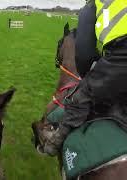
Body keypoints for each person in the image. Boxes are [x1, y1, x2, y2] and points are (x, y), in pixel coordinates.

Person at [42, 0, 127, 156]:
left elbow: (84, 54)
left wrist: (90, 78)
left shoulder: (93, 5)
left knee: (81, 97)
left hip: (121, 57)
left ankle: (55, 142)